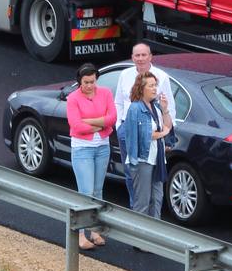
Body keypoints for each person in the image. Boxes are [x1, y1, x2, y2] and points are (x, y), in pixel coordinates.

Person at [65, 62, 114, 250]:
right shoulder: (73, 98)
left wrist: (92, 123)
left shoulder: (106, 93)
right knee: (85, 193)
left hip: (102, 147)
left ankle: (95, 230)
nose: (89, 86)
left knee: (98, 191)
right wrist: (101, 124)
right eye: (86, 82)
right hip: (82, 148)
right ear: (80, 81)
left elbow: (112, 118)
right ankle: (79, 234)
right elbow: (76, 126)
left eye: (92, 81)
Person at [118, 71, 173, 219]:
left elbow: (168, 126)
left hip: (158, 159)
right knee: (143, 201)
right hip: (142, 160)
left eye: (156, 85)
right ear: (141, 88)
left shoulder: (156, 107)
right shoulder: (135, 108)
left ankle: (154, 237)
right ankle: (138, 239)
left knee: (157, 199)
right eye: (151, 86)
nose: (155, 88)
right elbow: (145, 135)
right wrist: (162, 133)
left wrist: (165, 109)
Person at [114, 42, 176, 130]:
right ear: (132, 57)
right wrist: (118, 125)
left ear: (150, 57)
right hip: (127, 126)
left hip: (152, 128)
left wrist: (169, 131)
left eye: (144, 55)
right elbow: (118, 102)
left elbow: (169, 104)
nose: (140, 58)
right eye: (137, 55)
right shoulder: (124, 74)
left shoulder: (162, 76)